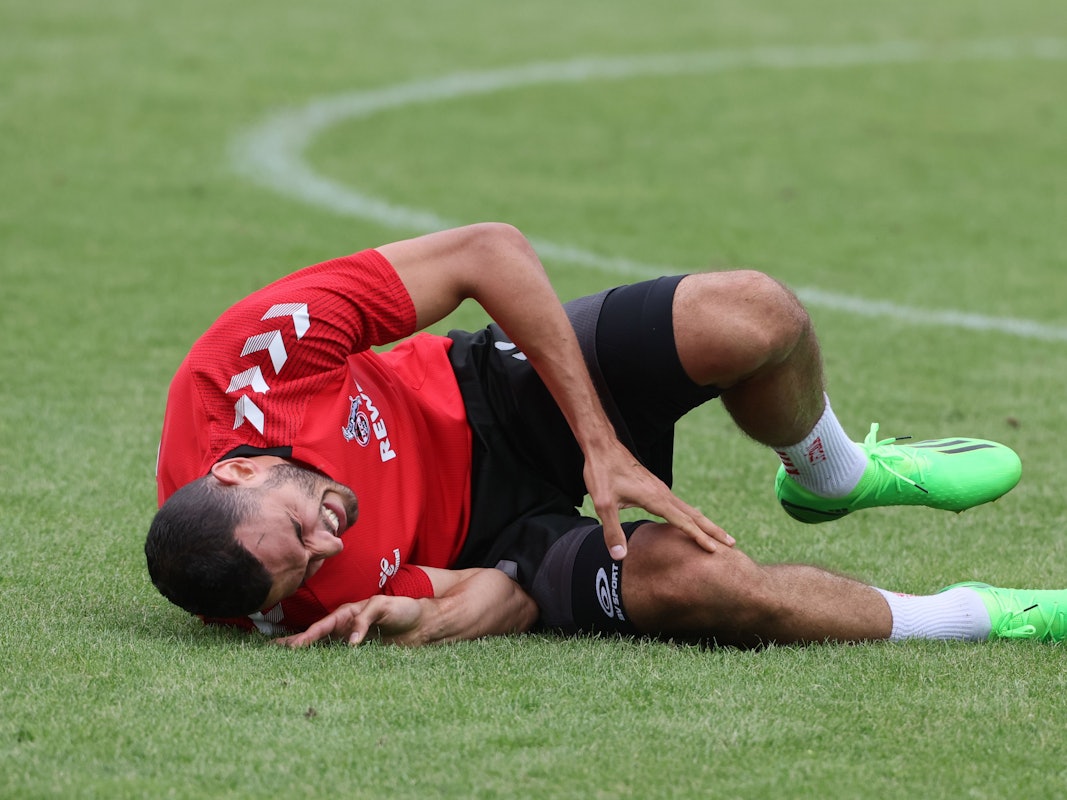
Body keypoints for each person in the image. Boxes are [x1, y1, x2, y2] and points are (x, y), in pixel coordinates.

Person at [146, 222, 1057, 650]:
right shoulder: (299, 597)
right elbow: (511, 598)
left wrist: (598, 441)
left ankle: (831, 472)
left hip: (488, 393)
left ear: (239, 470)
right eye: (306, 562)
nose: (329, 541)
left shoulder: (253, 361)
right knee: (719, 589)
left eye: (303, 527)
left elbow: (486, 252)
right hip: (495, 540)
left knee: (752, 315)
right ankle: (979, 614)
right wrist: (439, 615)